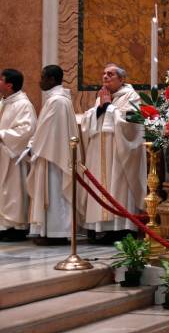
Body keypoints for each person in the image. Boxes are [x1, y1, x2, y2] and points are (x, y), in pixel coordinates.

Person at [81, 63, 145, 244]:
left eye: (110, 74)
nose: (105, 77)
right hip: (99, 150)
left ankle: (120, 230)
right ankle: (99, 228)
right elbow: (89, 118)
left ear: (122, 79)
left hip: (119, 153)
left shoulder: (132, 96)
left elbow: (133, 123)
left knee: (117, 187)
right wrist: (101, 108)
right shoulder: (102, 96)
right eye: (104, 74)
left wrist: (108, 108)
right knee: (99, 186)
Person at [25, 65, 80, 245]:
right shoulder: (56, 99)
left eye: (43, 77)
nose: (39, 81)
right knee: (52, 195)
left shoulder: (57, 101)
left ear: (52, 80)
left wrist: (34, 146)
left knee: (56, 194)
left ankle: (56, 233)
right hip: (50, 153)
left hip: (54, 158)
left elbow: (51, 133)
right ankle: (48, 232)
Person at [0, 68, 37, 241]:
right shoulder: (4, 102)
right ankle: (3, 226)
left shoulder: (23, 104)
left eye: (1, 80)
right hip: (3, 154)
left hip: (14, 156)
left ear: (10, 85)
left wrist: (2, 135)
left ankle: (16, 228)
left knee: (13, 192)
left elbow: (26, 130)